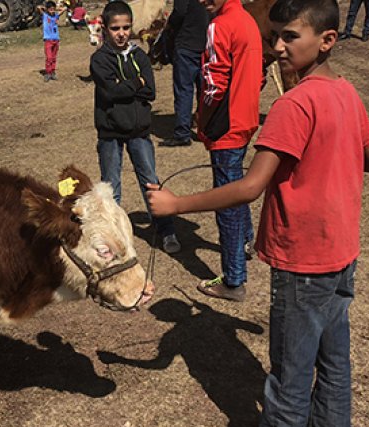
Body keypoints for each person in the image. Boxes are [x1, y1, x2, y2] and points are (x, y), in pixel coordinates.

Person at [148, 0, 369, 427]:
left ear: (327, 40)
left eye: (290, 36)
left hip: (302, 263)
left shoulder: (293, 106)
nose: (277, 46)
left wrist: (176, 205)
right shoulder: (347, 93)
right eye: (275, 35)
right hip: (341, 256)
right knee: (334, 367)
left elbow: (250, 186)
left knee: (290, 379)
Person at [90, 1, 180, 254]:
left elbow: (149, 91)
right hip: (110, 132)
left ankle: (166, 230)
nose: (121, 33)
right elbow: (110, 91)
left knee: (150, 180)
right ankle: (114, 237)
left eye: (126, 27)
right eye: (115, 28)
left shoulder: (140, 56)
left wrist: (127, 85)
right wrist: (135, 83)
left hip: (139, 131)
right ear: (105, 29)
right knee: (111, 186)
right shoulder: (99, 60)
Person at [191, 0, 263, 301]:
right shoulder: (247, 21)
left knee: (227, 202)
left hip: (226, 124)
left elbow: (213, 82)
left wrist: (202, 118)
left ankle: (234, 279)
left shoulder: (220, 25)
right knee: (237, 187)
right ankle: (246, 243)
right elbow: (257, 75)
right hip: (245, 118)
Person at [157, 0, 208, 147]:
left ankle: (182, 133)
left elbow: (179, 12)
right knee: (205, 90)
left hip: (187, 43)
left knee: (184, 90)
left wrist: (170, 24)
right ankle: (204, 130)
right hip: (206, 43)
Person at [36, 1, 65, 82]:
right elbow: (38, 8)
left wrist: (56, 8)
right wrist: (46, 8)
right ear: (47, 9)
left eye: (53, 9)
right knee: (49, 57)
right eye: (50, 9)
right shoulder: (45, 16)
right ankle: (48, 73)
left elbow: (63, 9)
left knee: (54, 57)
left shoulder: (56, 16)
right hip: (48, 40)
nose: (52, 10)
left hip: (56, 39)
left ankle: (53, 72)